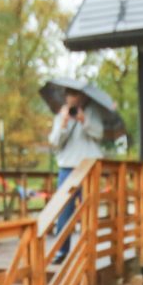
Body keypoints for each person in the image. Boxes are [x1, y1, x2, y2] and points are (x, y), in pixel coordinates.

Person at [47, 87, 105, 263]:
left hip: (88, 167)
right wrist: (64, 123)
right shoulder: (61, 116)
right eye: (70, 95)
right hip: (67, 168)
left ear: (82, 96)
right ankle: (61, 250)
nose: (73, 98)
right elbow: (54, 143)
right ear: (66, 97)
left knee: (89, 209)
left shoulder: (91, 113)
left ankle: (88, 250)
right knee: (64, 209)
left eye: (76, 94)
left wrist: (84, 120)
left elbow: (100, 134)